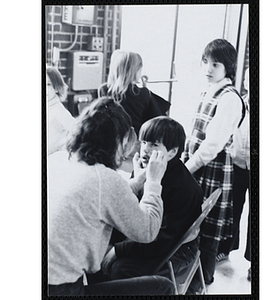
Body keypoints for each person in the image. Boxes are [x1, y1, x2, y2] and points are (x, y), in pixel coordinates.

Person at [48, 97, 174, 296]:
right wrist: (153, 181)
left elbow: (100, 198)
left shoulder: (58, 159)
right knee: (163, 286)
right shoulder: (104, 179)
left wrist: (138, 181)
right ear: (117, 141)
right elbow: (148, 230)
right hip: (61, 290)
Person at [100, 116, 203, 289]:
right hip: (152, 240)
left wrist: (118, 250)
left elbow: (163, 240)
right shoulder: (148, 169)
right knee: (96, 253)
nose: (145, 150)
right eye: (144, 142)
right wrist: (138, 180)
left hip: (176, 250)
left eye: (154, 145)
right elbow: (128, 212)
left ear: (172, 152)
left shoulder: (184, 188)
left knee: (120, 270)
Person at [182, 39, 245, 285]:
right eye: (206, 62)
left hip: (213, 170)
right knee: (194, 226)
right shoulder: (208, 90)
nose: (208, 68)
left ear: (227, 67)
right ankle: (193, 278)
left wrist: (187, 168)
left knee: (207, 230)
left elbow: (212, 145)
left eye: (215, 64)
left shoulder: (229, 98)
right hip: (199, 168)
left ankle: (203, 282)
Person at [98, 50, 170, 172]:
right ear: (134, 71)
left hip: (111, 142)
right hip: (133, 144)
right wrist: (144, 87)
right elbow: (155, 116)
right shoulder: (143, 93)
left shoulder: (104, 90)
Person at [216, 68, 251, 280]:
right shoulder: (239, 103)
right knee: (233, 208)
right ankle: (226, 248)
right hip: (238, 163)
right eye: (247, 78)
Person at [46, 66, 75, 155]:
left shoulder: (59, 112)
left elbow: (78, 131)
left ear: (57, 87)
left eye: (48, 84)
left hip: (54, 158)